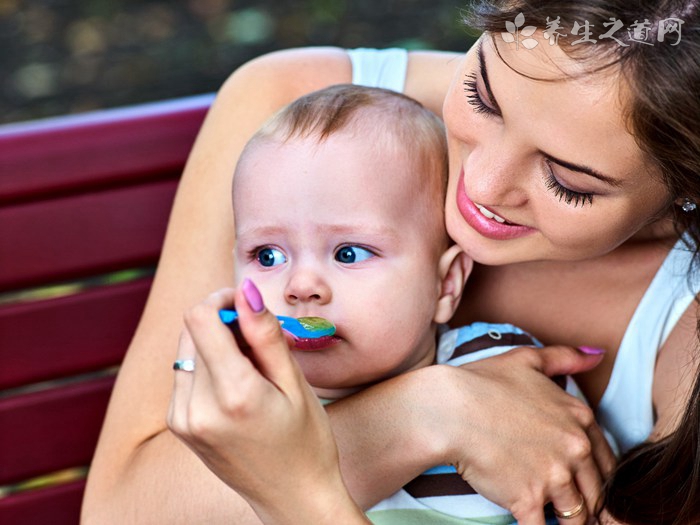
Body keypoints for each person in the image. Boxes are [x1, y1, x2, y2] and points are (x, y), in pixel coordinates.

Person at [81, 1, 700, 524]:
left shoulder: (685, 339)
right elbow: (120, 511)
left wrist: (309, 491)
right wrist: (427, 415)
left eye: (567, 181)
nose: (479, 185)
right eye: (483, 96)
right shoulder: (294, 116)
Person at [217, 83, 595, 523]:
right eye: (267, 256)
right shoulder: (237, 407)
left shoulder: (504, 370)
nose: (300, 287)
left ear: (446, 285)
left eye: (349, 253)